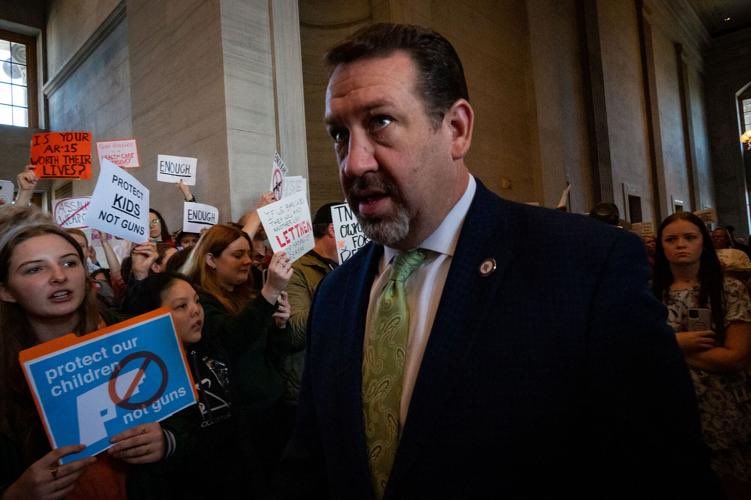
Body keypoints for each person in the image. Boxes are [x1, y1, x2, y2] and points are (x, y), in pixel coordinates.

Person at [280, 23, 720, 499]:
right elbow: (312, 467)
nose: (353, 163)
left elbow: (667, 474)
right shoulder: (336, 294)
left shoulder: (586, 266)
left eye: (380, 122)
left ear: (456, 129)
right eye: (339, 134)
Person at [0, 207, 165, 499]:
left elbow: (184, 417)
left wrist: (166, 439)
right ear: (6, 291)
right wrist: (15, 495)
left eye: (69, 263)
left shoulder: (129, 336)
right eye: (35, 268)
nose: (59, 276)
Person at [122, 272, 263, 498]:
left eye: (197, 301)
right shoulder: (143, 377)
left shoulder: (212, 348)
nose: (196, 310)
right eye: (181, 306)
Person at [181, 223, 293, 488]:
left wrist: (280, 326)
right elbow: (229, 339)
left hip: (270, 410)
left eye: (249, 255)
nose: (247, 262)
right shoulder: (201, 303)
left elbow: (275, 356)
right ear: (211, 259)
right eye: (237, 255)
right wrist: (269, 293)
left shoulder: (250, 297)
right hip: (238, 423)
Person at [653, 212, 751, 500]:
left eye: (689, 237)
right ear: (661, 246)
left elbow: (735, 356)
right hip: (670, 406)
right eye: (671, 239)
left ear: (703, 244)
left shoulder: (728, 288)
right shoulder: (651, 293)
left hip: (723, 404)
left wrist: (668, 347)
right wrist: (677, 343)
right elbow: (638, 354)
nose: (680, 244)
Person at [280, 203, 339, 428]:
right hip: (310, 386)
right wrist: (336, 293)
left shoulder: (352, 265)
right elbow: (295, 332)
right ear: (333, 230)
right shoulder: (297, 270)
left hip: (340, 379)